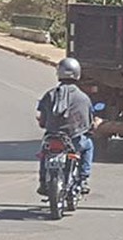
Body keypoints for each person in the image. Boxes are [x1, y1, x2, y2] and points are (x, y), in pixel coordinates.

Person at [36, 57, 96, 196]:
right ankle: (83, 179)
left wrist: (45, 123)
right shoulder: (83, 98)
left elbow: (42, 118)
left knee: (44, 154)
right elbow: (88, 122)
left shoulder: (50, 94)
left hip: (52, 138)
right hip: (73, 140)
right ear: (77, 73)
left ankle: (42, 181)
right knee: (88, 145)